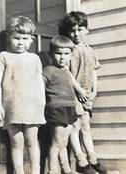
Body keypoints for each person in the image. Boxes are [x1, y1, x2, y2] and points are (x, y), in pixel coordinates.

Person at [0, 15, 45, 174]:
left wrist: (42, 103)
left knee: (32, 140)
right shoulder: (3, 57)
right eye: (16, 38)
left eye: (24, 38)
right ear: (9, 38)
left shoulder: (34, 58)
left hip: (32, 106)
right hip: (12, 106)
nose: (20, 42)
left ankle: (35, 171)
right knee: (16, 141)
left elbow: (39, 82)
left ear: (31, 40)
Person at [58, 11, 108, 174]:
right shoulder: (68, 50)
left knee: (86, 126)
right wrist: (78, 89)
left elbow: (94, 71)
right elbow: (66, 72)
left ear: (86, 30)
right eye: (73, 30)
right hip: (73, 93)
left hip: (87, 94)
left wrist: (94, 91)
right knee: (75, 126)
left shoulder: (90, 50)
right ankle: (81, 159)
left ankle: (92, 158)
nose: (76, 33)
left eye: (80, 29)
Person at [43, 35, 89, 174]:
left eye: (66, 54)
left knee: (64, 142)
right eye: (58, 53)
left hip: (70, 107)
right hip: (56, 108)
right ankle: (52, 170)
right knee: (57, 142)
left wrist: (81, 90)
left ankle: (66, 169)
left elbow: (73, 83)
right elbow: (39, 86)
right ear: (51, 54)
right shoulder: (48, 70)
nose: (62, 57)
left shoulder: (66, 70)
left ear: (71, 55)